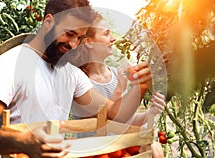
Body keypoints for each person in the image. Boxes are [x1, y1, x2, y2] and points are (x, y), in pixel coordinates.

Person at [0, 0, 152, 157]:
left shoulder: (70, 74)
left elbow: (114, 113)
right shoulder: (11, 64)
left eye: (79, 38)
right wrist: (21, 142)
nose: (73, 45)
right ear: (48, 21)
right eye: (69, 34)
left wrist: (139, 88)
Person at [69, 13, 165, 157]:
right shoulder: (81, 81)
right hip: (95, 153)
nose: (113, 38)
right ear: (89, 42)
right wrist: (121, 89)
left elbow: (127, 122)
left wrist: (150, 112)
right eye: (106, 34)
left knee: (155, 148)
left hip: (119, 151)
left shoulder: (116, 74)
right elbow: (104, 124)